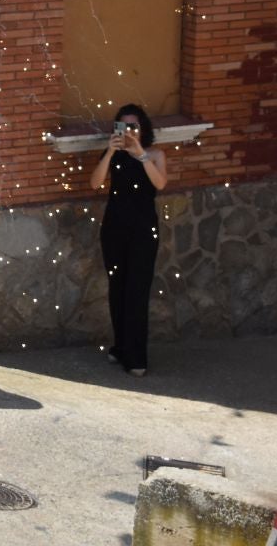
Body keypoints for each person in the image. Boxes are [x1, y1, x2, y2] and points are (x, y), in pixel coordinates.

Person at [91, 103, 169, 378]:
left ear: (143, 128)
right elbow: (95, 182)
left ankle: (136, 358)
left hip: (143, 230)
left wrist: (140, 155)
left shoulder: (155, 155)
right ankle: (121, 346)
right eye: (124, 126)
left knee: (137, 290)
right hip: (114, 228)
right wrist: (112, 149)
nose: (129, 131)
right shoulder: (114, 154)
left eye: (134, 126)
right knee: (118, 288)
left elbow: (159, 184)